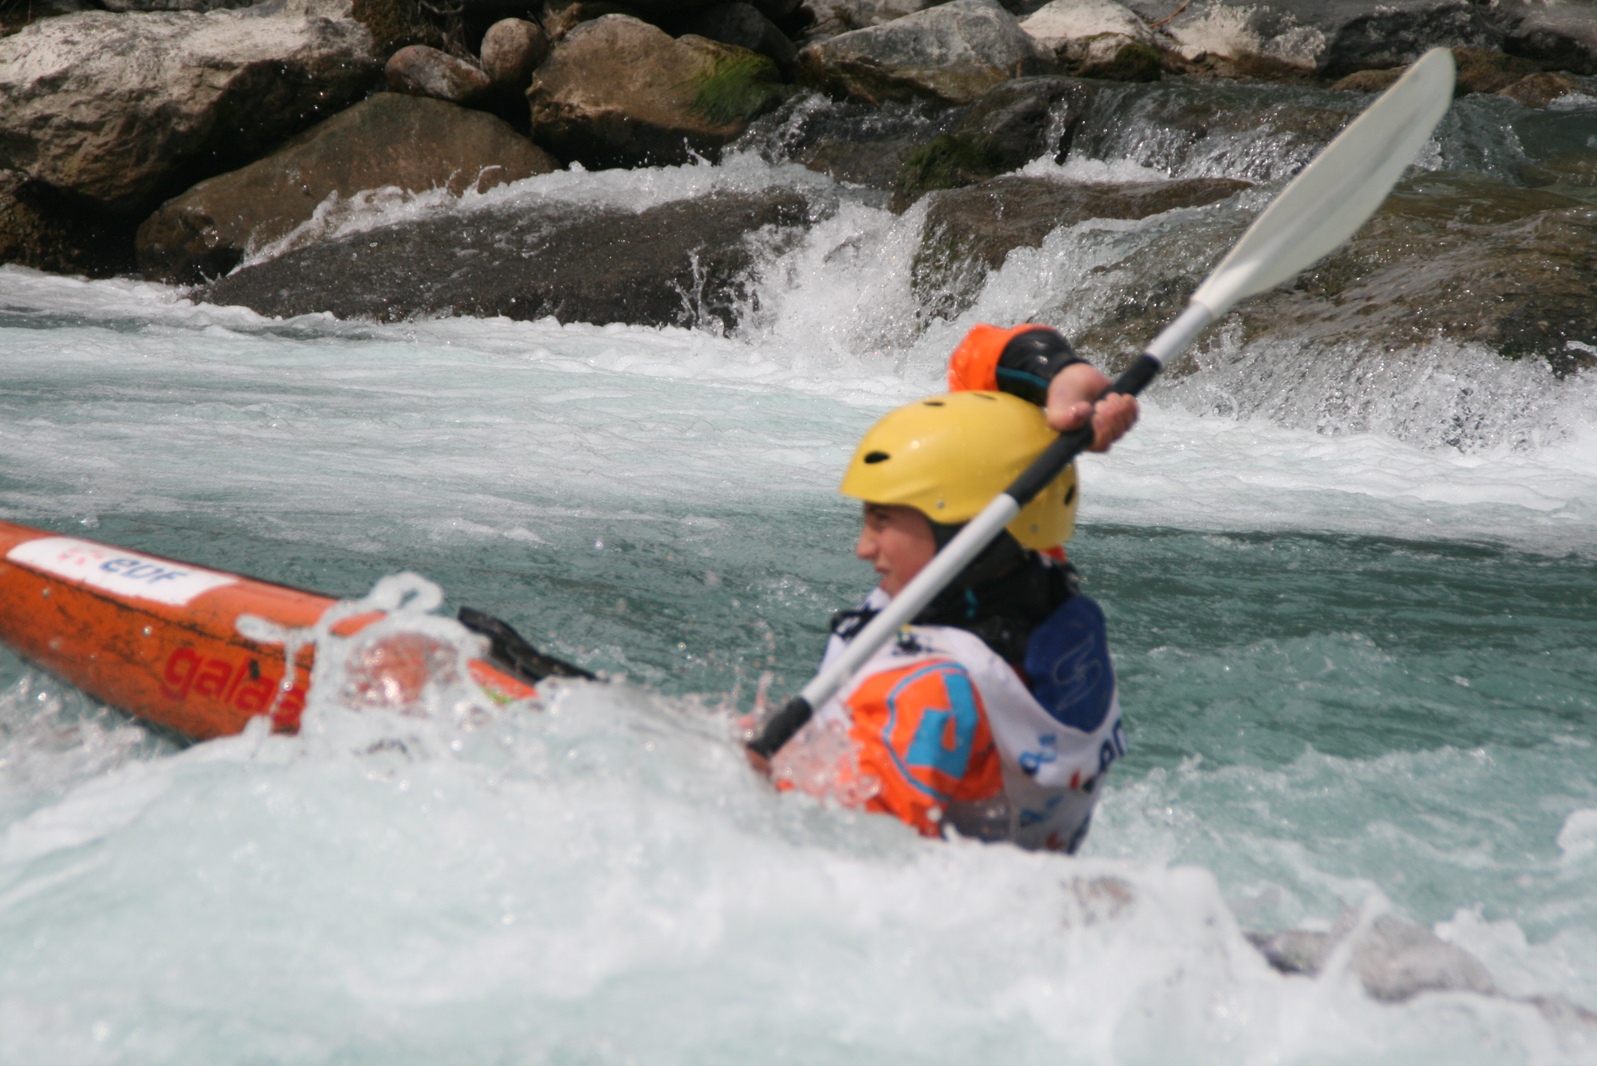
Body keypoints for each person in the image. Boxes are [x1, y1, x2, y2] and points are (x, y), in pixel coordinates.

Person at [764, 323, 1138, 853]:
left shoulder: (929, 694)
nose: (863, 548)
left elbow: (853, 847)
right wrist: (1061, 374)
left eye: (882, 521)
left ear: (964, 531)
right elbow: (975, 369)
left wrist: (749, 775)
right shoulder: (1031, 573)